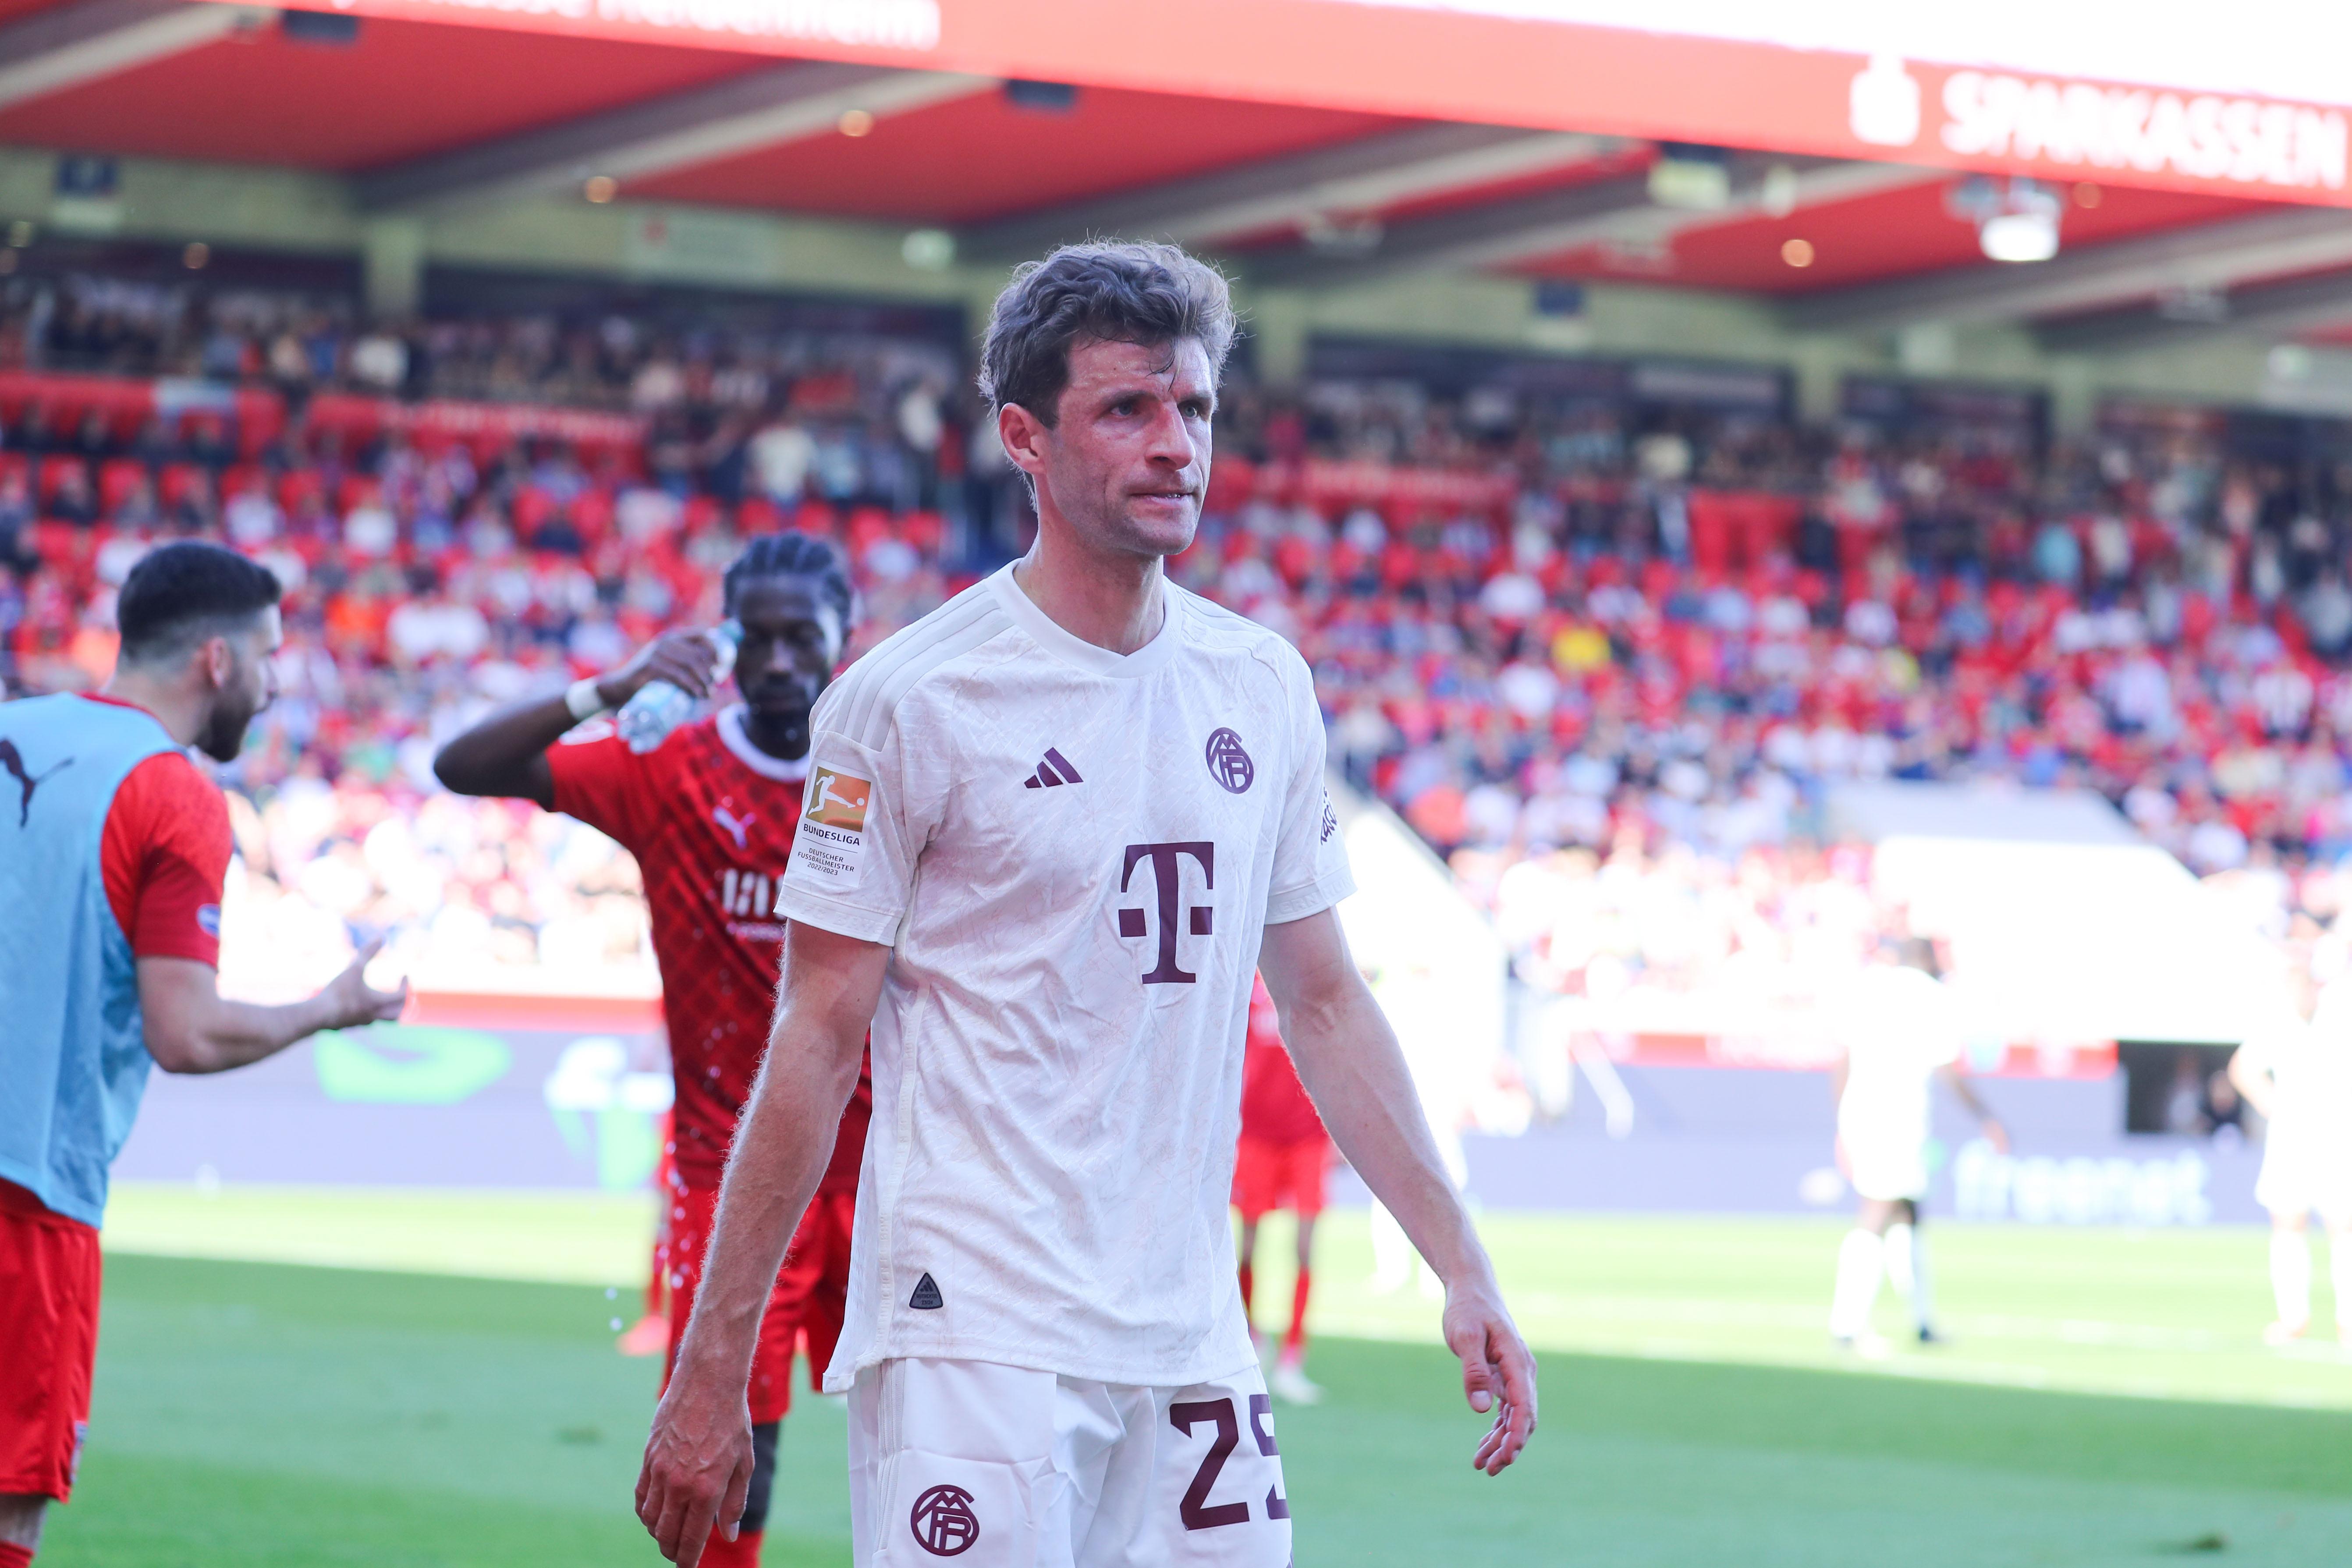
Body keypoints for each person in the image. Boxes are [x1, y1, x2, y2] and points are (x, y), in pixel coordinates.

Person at [635, 241, 1536, 1568]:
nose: (1176, 444)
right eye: (1127, 408)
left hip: (1187, 1331)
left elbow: (1327, 998)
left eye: (1195, 409)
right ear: (1025, 438)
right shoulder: (909, 698)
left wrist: (1462, 1262)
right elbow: (815, 1038)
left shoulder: (1261, 685)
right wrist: (710, 1362)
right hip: (974, 1323)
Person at [435, 532, 871, 1568]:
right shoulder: (670, 768)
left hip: (884, 1174)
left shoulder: (885, 770)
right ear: (724, 643)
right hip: (733, 1184)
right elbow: (463, 765)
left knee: (933, 1436)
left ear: (840, 641)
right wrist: (608, 688)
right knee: (726, 1451)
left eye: (798, 638)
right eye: (752, 639)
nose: (775, 662)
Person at [0, 541, 407, 1567]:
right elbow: (186, 1031)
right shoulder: (171, 791)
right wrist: (330, 1008)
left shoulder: (12, 727)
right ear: (218, 661)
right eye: (270, 657)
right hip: (29, 1202)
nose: (277, 686)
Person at [1827, 935, 2008, 1352]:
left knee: (1906, 1213)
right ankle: (1848, 1327)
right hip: (1897, 1117)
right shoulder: (1931, 997)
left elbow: (1842, 1061)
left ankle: (1922, 1322)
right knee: (1878, 1210)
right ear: (1926, 960)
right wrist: (1986, 1119)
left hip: (1862, 1112)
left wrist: (1842, 1123)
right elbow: (1946, 1068)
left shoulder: (1871, 990)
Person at [2228, 959, 2352, 1345]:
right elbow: (2243, 1069)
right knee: (2287, 1223)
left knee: (2343, 1226)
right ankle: (2292, 1319)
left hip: (2337, 1137)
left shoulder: (2340, 1018)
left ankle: (2347, 1321)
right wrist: (2275, 1109)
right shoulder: (2277, 1023)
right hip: (2291, 1141)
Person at [1232, 973, 1330, 1405]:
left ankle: (1293, 1356)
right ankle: (1251, 1338)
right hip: (1256, 1130)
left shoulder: (1309, 963)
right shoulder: (1245, 975)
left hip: (1309, 1131)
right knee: (1247, 1247)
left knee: (1305, 1245)